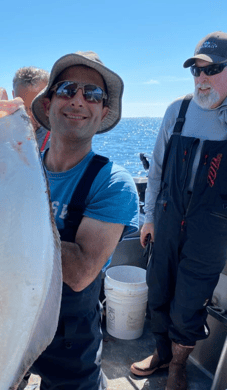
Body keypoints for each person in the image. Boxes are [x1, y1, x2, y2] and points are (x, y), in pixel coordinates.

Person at [19, 51, 139, 390]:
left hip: (70, 339)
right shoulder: (18, 168)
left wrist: (10, 216)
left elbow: (80, 272)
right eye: (68, 89)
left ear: (103, 112)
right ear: (47, 104)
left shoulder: (113, 182)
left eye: (93, 94)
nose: (79, 100)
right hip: (9, 318)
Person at [130, 31, 227, 390]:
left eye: (212, 69)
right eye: (196, 71)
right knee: (158, 290)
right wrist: (148, 217)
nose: (202, 79)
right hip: (169, 217)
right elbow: (155, 169)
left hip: (212, 227)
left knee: (189, 302)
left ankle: (178, 367)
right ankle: (162, 355)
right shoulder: (179, 110)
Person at [12, 66, 51, 152]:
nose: (28, 117)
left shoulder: (60, 140)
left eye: (34, 109)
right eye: (22, 108)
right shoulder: (2, 130)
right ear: (13, 95)